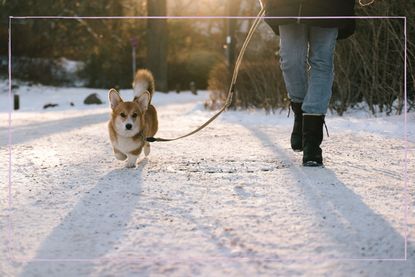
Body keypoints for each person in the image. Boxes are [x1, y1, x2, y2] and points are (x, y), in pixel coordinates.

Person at [264, 0, 356, 166]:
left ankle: (312, 141)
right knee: (290, 61)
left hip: (330, 7)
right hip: (286, 6)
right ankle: (300, 113)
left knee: (322, 62)